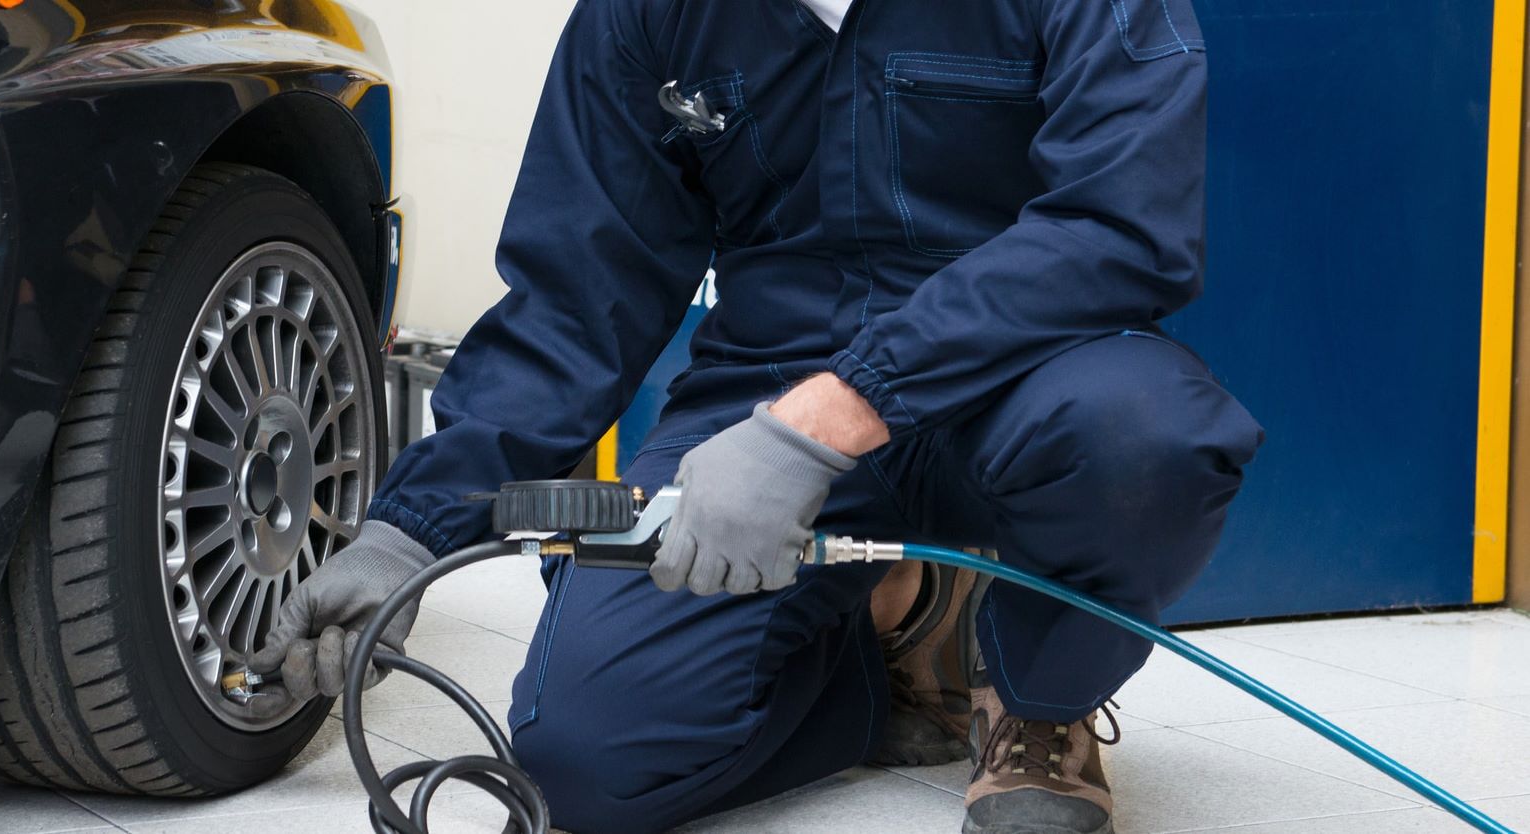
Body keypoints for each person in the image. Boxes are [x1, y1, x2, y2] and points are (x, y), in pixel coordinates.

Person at [255, 0, 1263, 831]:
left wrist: (838, 412)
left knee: (1145, 440)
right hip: (765, 391)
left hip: (1026, 372)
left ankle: (1041, 705)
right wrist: (411, 528)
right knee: (584, 765)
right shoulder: (647, 15)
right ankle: (887, 632)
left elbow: (1118, 227)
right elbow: (579, 296)